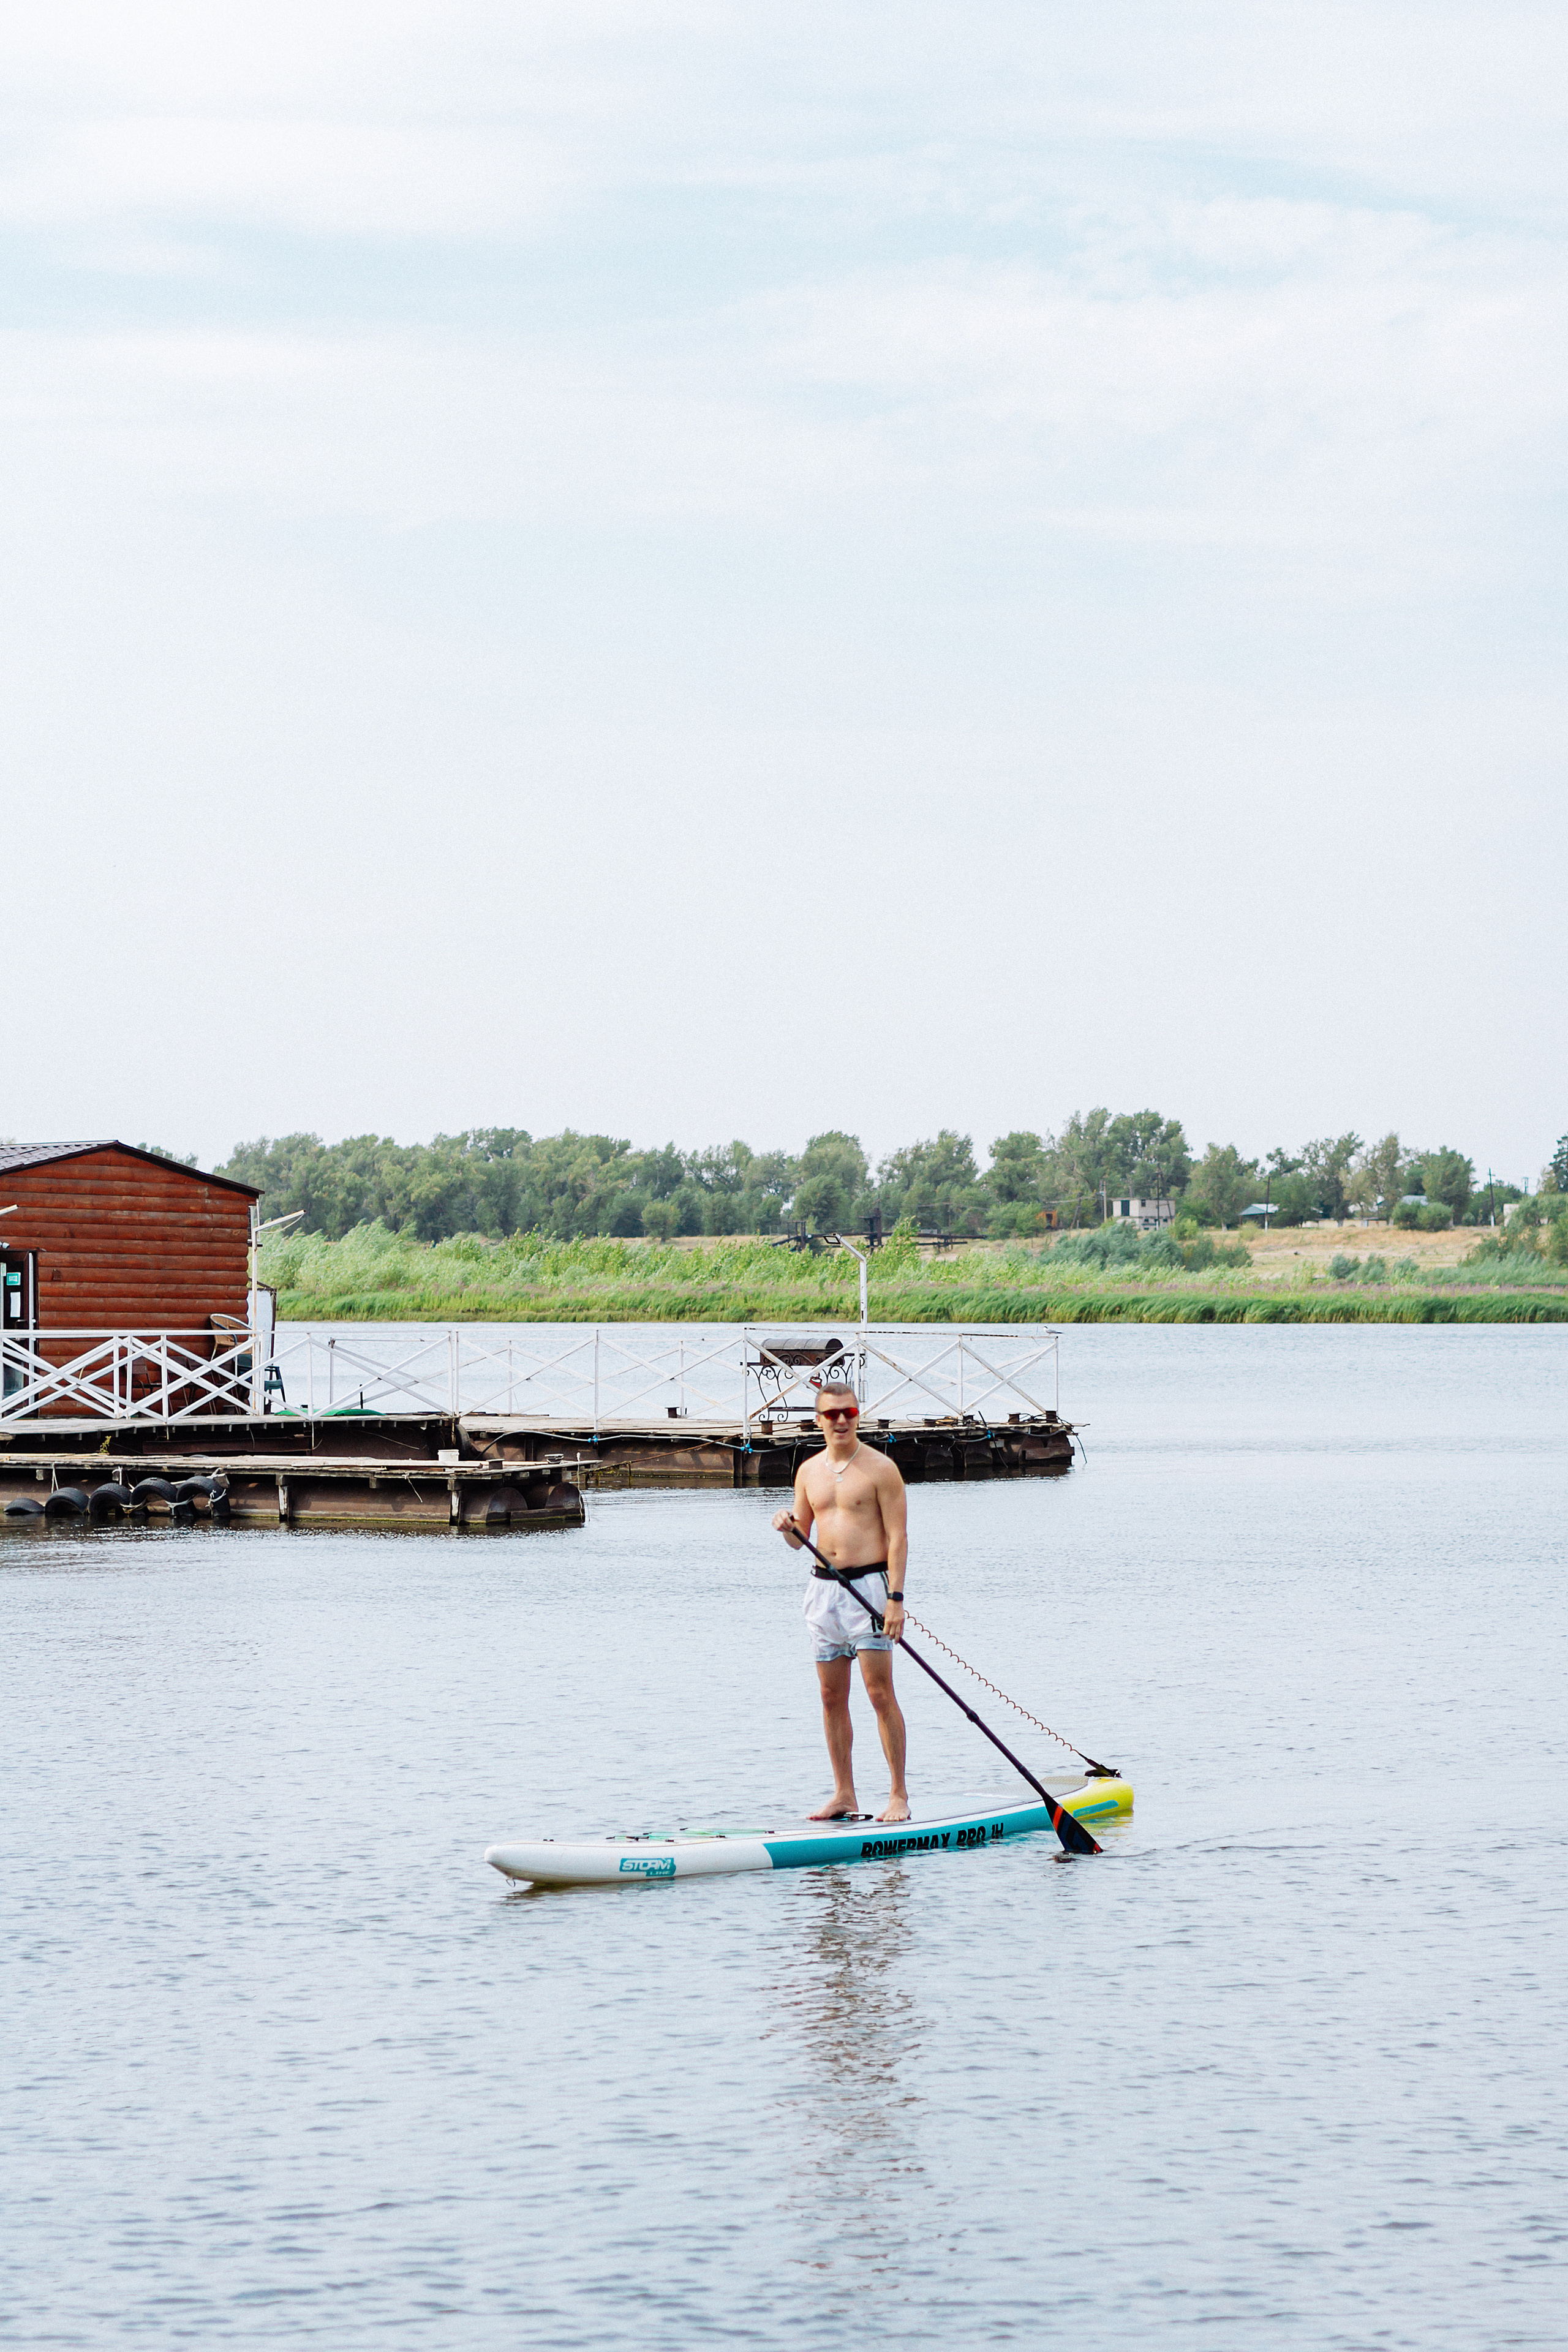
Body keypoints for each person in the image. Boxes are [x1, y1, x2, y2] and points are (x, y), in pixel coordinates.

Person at [772, 1378, 910, 1824]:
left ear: (858, 1415)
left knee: (879, 1693)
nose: (841, 1421)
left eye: (848, 1413)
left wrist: (896, 1600)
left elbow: (898, 1538)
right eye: (831, 1415)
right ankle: (844, 1795)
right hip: (823, 1592)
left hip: (869, 1591)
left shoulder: (880, 1469)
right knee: (831, 1696)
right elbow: (801, 1540)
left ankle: (897, 1795)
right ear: (819, 1420)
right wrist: (787, 1527)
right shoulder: (808, 1471)